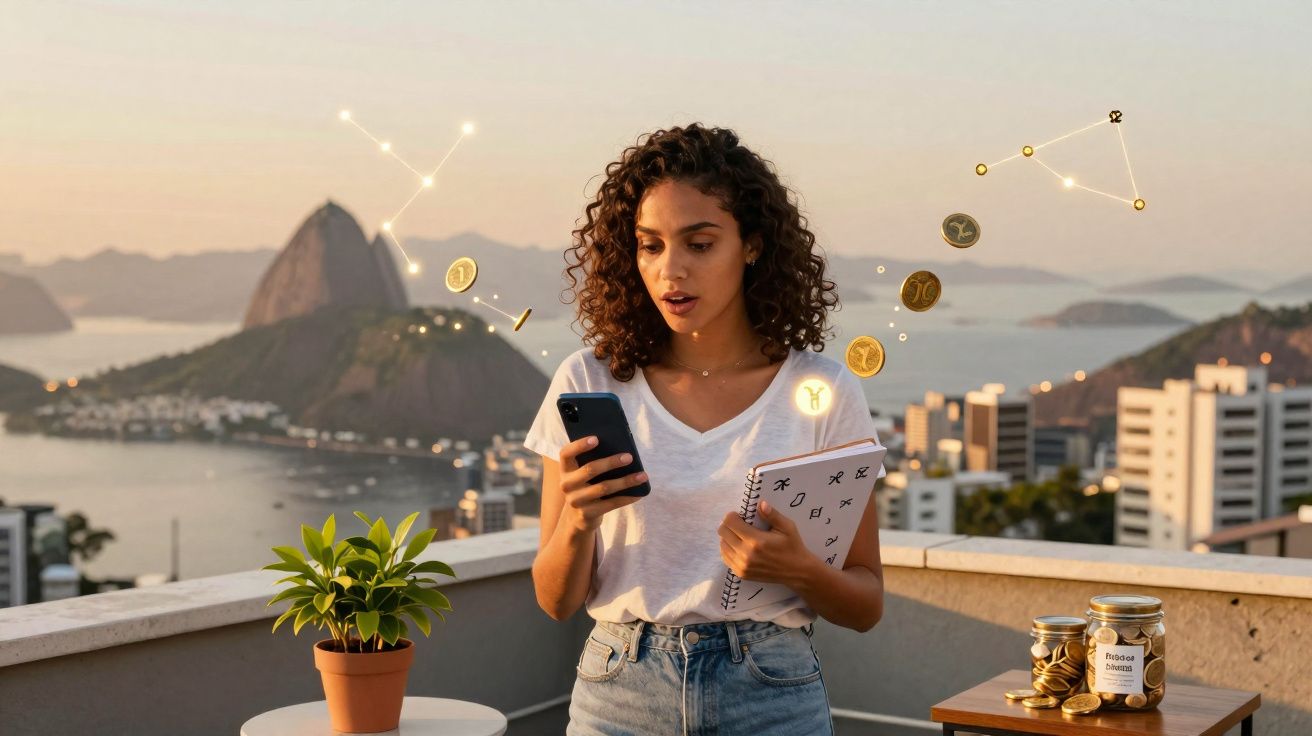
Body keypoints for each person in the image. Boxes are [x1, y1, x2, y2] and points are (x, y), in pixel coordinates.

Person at [524, 123, 888, 735]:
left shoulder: (822, 391)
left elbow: (866, 603)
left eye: (699, 243)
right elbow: (554, 600)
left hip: (771, 693)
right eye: (650, 245)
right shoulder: (588, 380)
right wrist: (580, 521)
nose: (671, 271)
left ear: (751, 246)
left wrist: (799, 570)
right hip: (619, 694)